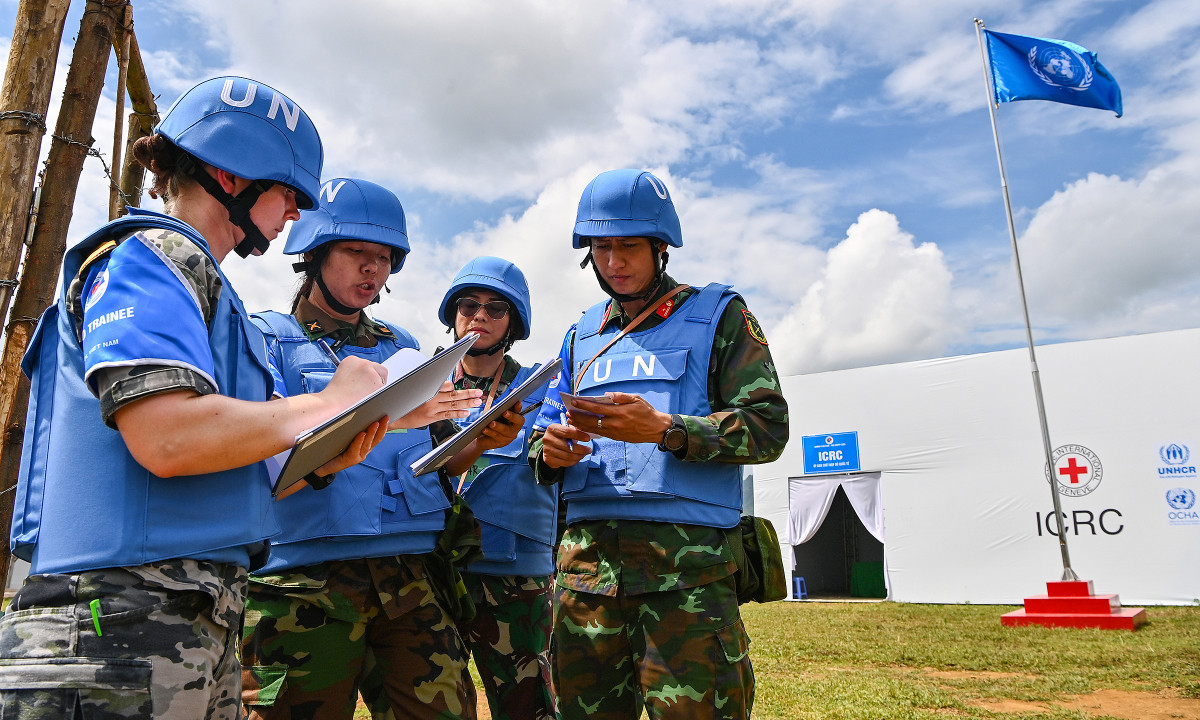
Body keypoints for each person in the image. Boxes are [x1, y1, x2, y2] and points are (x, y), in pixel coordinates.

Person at [0, 77, 392, 720]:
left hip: (179, 624)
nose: (295, 212)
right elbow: (168, 438)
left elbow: (212, 465)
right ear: (231, 177)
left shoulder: (202, 285)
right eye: (288, 191)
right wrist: (326, 403)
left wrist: (319, 461)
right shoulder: (151, 258)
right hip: (113, 628)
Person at [529, 169, 789, 720]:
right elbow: (543, 436)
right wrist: (550, 451)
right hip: (587, 579)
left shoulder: (719, 317)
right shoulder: (580, 336)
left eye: (629, 247)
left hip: (687, 579)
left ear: (660, 246)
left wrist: (668, 431)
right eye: (602, 249)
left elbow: (767, 427)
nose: (615, 262)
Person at [238, 177, 488, 720]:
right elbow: (253, 466)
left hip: (409, 575)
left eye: (384, 257)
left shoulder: (405, 348)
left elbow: (432, 464)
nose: (372, 269)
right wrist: (380, 422)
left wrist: (479, 438)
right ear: (315, 253)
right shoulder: (264, 341)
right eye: (356, 253)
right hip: (303, 581)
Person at [437, 257, 558, 720]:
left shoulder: (539, 390)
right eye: (468, 305)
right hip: (435, 571)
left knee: (526, 706)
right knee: (437, 703)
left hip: (513, 578)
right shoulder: (422, 387)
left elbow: (554, 465)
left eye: (496, 308)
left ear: (515, 323)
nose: (479, 316)